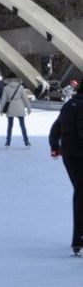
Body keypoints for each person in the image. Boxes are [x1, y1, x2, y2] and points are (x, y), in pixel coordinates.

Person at [48, 88, 83, 255]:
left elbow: (55, 128)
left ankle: (78, 239)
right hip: (79, 154)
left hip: (69, 156)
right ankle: (78, 239)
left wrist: (55, 146)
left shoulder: (69, 104)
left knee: (80, 193)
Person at [0, 76, 33, 147]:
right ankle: (26, 142)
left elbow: (3, 100)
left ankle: (8, 142)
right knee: (22, 125)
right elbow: (25, 99)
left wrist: (1, 110)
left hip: (10, 107)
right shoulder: (20, 87)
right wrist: (29, 108)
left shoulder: (6, 88)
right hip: (19, 106)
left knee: (10, 126)